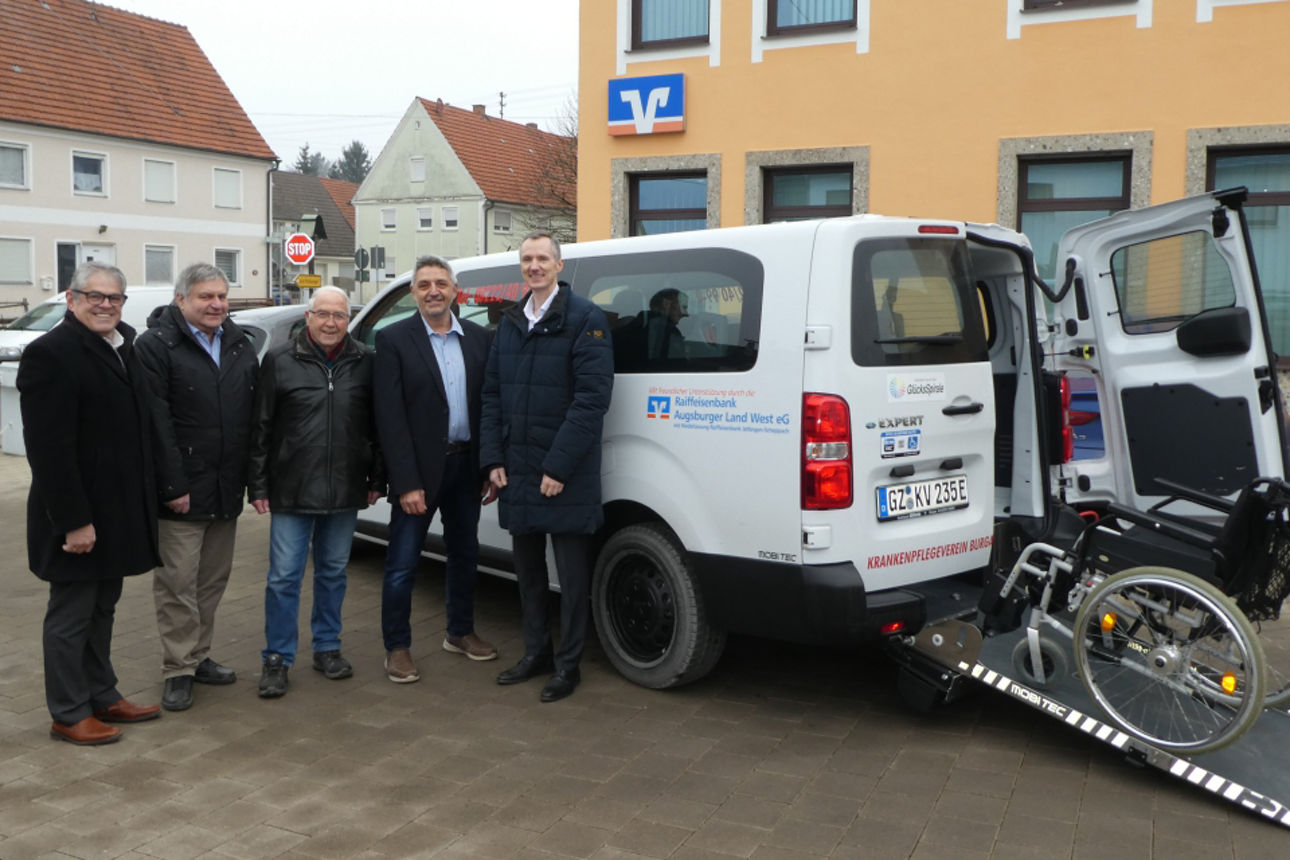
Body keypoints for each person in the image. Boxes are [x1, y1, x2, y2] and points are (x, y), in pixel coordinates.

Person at [18, 261, 162, 744]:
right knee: (71, 615)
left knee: (103, 609)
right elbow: (49, 450)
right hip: (78, 518)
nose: (105, 304)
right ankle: (68, 711)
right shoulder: (51, 354)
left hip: (117, 513)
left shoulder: (124, 346)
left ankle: (103, 694)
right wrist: (74, 522)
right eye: (94, 296)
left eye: (114, 297)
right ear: (71, 298)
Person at [481, 231, 614, 703]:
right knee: (529, 573)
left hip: (564, 473)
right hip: (516, 468)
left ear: (559, 265)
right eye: (527, 259)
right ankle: (536, 652)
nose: (534, 266)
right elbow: (492, 393)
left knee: (573, 579)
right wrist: (492, 458)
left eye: (542, 258)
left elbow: (591, 401)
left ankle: (568, 665)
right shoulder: (512, 321)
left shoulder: (584, 318)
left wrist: (557, 467)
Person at [247, 286, 384, 698]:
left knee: (333, 574)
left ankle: (327, 647)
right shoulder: (279, 360)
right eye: (322, 314)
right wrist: (258, 485)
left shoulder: (365, 361)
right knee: (283, 578)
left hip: (344, 487)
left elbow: (377, 428)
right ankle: (277, 658)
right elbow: (261, 428)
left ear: (348, 319)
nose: (330, 323)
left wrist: (377, 478)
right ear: (308, 317)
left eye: (339, 315)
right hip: (291, 487)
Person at [135, 263, 257, 712]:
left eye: (222, 296)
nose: (217, 305)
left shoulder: (239, 344)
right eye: (206, 296)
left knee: (211, 581)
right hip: (181, 491)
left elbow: (250, 418)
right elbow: (155, 423)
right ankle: (177, 669)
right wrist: (172, 484)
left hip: (225, 487)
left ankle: (199, 655)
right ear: (181, 299)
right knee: (176, 584)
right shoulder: (155, 347)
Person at [374, 256, 497, 683]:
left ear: (454, 290)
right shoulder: (393, 340)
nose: (433, 291)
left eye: (441, 283)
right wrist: (405, 482)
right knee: (403, 562)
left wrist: (489, 464)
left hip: (467, 466)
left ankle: (460, 632)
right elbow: (390, 418)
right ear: (413, 292)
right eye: (424, 284)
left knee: (465, 555)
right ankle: (398, 647)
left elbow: (489, 406)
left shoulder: (480, 339)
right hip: (419, 473)